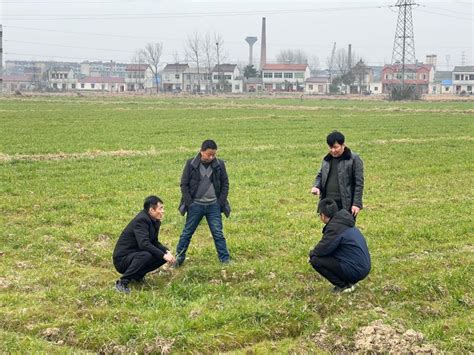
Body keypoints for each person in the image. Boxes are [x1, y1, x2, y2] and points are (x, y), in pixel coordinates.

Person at [175, 139, 231, 266]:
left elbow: (225, 184)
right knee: (187, 233)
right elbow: (184, 184)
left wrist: (220, 203)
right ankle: (178, 258)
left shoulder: (220, 164)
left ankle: (225, 260)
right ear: (201, 151)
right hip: (196, 206)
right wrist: (190, 203)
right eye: (208, 154)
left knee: (218, 233)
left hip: (213, 206)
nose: (211, 157)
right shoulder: (190, 164)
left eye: (214, 155)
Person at [113, 195, 176, 293]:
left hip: (134, 255)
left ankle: (138, 276)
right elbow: (144, 244)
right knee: (146, 255)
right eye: (161, 208)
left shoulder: (155, 221)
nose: (163, 211)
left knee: (161, 253)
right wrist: (163, 255)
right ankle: (122, 282)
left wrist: (166, 251)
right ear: (151, 210)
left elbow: (154, 241)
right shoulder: (141, 220)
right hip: (122, 260)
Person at [309, 198, 371, 293]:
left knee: (316, 260)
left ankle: (343, 285)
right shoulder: (344, 221)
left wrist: (311, 253)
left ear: (323, 215)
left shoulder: (335, 228)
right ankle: (349, 280)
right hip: (362, 266)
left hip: (356, 270)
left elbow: (322, 249)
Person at [311, 131, 364, 218]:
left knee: (345, 230)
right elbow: (321, 175)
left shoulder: (354, 159)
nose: (333, 150)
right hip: (328, 203)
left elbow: (359, 183)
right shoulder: (327, 159)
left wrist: (356, 204)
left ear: (343, 145)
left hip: (345, 204)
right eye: (330, 147)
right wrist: (316, 186)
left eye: (336, 147)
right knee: (330, 230)